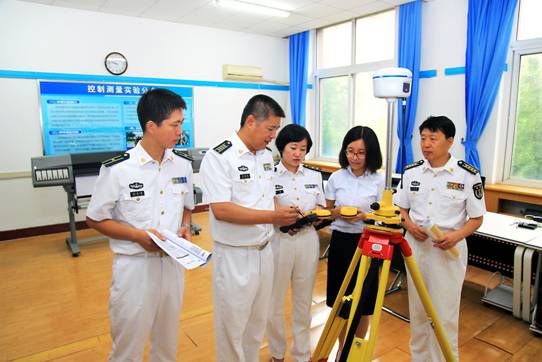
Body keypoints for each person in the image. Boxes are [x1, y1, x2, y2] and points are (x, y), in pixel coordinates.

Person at [86, 88, 194, 362]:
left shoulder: (181, 166)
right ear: (151, 126)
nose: (180, 131)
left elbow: (186, 208)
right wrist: (136, 235)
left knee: (167, 343)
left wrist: (185, 228)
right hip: (134, 268)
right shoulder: (119, 168)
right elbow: (95, 218)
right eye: (175, 124)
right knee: (127, 347)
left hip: (172, 265)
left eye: (181, 124)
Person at [199, 94, 300, 362]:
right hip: (234, 256)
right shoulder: (220, 156)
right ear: (251, 121)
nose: (273, 135)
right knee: (232, 328)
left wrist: (285, 217)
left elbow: (267, 198)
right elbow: (222, 210)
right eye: (270, 129)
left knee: (257, 325)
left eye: (276, 130)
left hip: (264, 251)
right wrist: (273, 217)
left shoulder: (266, 156)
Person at [393, 115, 485, 362]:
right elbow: (400, 209)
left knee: (443, 315)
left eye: (433, 138)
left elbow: (476, 219)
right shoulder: (412, 172)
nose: (426, 144)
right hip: (415, 247)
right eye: (423, 138)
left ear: (450, 141)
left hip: (448, 251)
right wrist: (409, 225)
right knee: (418, 311)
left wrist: (455, 236)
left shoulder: (467, 175)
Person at [324, 126, 385, 359]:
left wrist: (365, 216)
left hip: (368, 242)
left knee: (364, 302)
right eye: (350, 151)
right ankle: (342, 349)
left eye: (361, 152)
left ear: (371, 154)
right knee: (342, 301)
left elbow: (385, 217)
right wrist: (336, 212)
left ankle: (356, 350)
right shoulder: (337, 177)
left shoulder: (379, 181)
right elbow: (327, 212)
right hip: (341, 242)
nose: (355, 157)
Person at [266, 124, 325, 362]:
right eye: (293, 147)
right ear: (282, 148)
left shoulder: (313, 175)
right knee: (275, 302)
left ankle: (302, 354)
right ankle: (277, 354)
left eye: (303, 148)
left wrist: (314, 215)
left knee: (303, 300)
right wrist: (281, 214)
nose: (298, 153)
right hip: (279, 241)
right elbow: (266, 206)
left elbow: (322, 207)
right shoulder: (269, 174)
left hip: (307, 240)